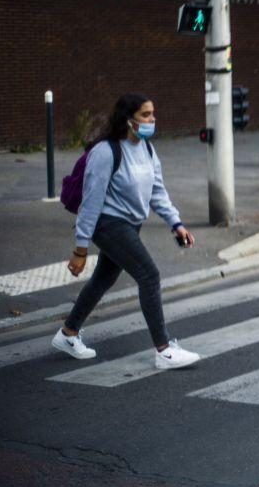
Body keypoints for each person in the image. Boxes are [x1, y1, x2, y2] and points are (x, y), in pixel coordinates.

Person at [55, 94, 200, 370]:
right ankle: (164, 350)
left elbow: (157, 191)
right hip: (108, 224)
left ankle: (68, 333)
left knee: (103, 279)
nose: (152, 120)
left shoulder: (146, 149)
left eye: (152, 114)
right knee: (149, 275)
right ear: (128, 120)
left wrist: (176, 223)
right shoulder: (106, 152)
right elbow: (91, 201)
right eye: (146, 115)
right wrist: (80, 248)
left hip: (130, 224)